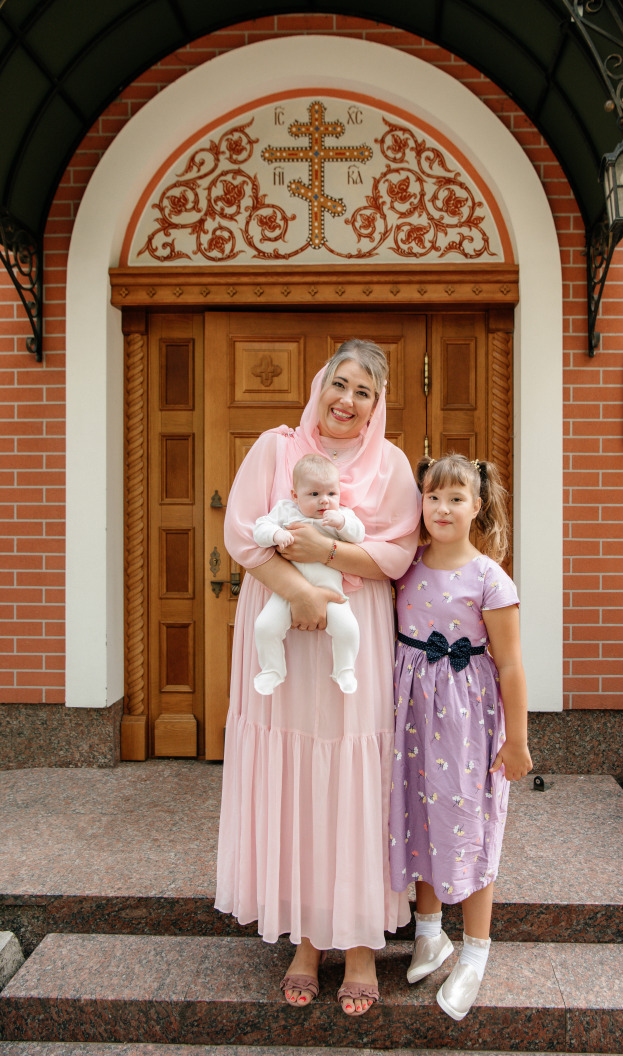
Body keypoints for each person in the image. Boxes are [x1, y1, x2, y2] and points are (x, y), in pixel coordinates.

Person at [215, 339, 422, 1016]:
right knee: (297, 778)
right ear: (319, 384)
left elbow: (394, 553)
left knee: (353, 777)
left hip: (348, 642)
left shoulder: (389, 465)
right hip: (283, 621)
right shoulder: (274, 450)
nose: (347, 400)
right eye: (340, 383)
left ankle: (360, 943)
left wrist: (329, 552)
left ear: (377, 404)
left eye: (364, 391)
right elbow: (243, 536)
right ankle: (306, 939)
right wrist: (298, 593)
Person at [389, 453, 532, 1021]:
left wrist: (516, 741)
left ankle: (475, 949)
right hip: (411, 718)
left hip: (468, 721)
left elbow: (513, 666)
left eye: (455, 498)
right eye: (432, 497)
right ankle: (428, 932)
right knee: (419, 815)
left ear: (477, 505)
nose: (442, 508)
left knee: (467, 822)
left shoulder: (490, 578)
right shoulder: (405, 564)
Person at [252, 453, 365, 695]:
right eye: (314, 494)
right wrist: (275, 534)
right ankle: (272, 669)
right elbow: (259, 528)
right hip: (287, 591)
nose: (324, 501)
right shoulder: (285, 510)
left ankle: (344, 669)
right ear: (295, 495)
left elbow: (358, 535)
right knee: (264, 627)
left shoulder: (341, 515)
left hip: (331, 593)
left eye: (331, 494)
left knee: (349, 628)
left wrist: (342, 523)